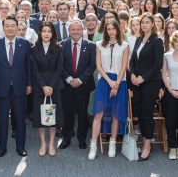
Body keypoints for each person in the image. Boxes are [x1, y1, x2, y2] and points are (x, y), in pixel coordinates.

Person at [0, 15, 32, 157]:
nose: (10, 28)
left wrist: (29, 84)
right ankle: (2, 147)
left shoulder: (24, 44)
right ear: (3, 27)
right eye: (7, 26)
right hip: (1, 87)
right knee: (2, 119)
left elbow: (28, 66)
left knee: (20, 118)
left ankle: (20, 147)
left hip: (20, 87)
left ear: (17, 27)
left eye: (13, 26)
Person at [88, 20, 129, 160]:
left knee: (115, 114)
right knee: (98, 113)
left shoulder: (125, 45)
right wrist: (109, 82)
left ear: (118, 30)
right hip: (104, 81)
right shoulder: (99, 45)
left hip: (120, 81)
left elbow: (124, 67)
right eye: (109, 29)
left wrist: (116, 84)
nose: (111, 31)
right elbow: (98, 66)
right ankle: (93, 145)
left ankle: (112, 143)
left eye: (113, 29)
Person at [129, 13, 164, 161]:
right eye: (142, 22)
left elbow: (157, 65)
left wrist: (143, 77)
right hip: (136, 82)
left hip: (150, 83)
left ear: (152, 24)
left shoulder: (157, 41)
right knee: (139, 112)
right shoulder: (138, 39)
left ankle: (147, 145)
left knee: (147, 114)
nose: (144, 25)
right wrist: (132, 75)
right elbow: (132, 61)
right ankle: (144, 139)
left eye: (147, 22)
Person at [59, 20, 96, 150]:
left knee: (82, 114)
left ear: (82, 30)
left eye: (78, 29)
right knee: (67, 113)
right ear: (69, 31)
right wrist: (69, 79)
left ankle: (81, 139)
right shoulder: (61, 45)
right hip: (66, 85)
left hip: (83, 86)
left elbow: (92, 66)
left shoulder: (91, 45)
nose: (76, 32)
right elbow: (60, 65)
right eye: (73, 30)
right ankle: (66, 138)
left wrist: (80, 80)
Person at [31, 22, 63, 157]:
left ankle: (51, 144)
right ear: (40, 32)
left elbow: (59, 68)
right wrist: (44, 86)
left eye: (49, 31)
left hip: (54, 86)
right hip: (39, 87)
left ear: (53, 34)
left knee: (52, 116)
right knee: (40, 117)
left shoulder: (58, 47)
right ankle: (43, 143)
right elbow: (34, 70)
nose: (46, 34)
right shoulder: (34, 48)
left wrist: (50, 86)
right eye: (44, 31)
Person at [162, 30, 178, 160]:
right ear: (173, 41)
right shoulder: (167, 55)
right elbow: (164, 74)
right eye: (176, 40)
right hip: (171, 92)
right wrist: (171, 90)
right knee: (171, 121)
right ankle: (173, 148)